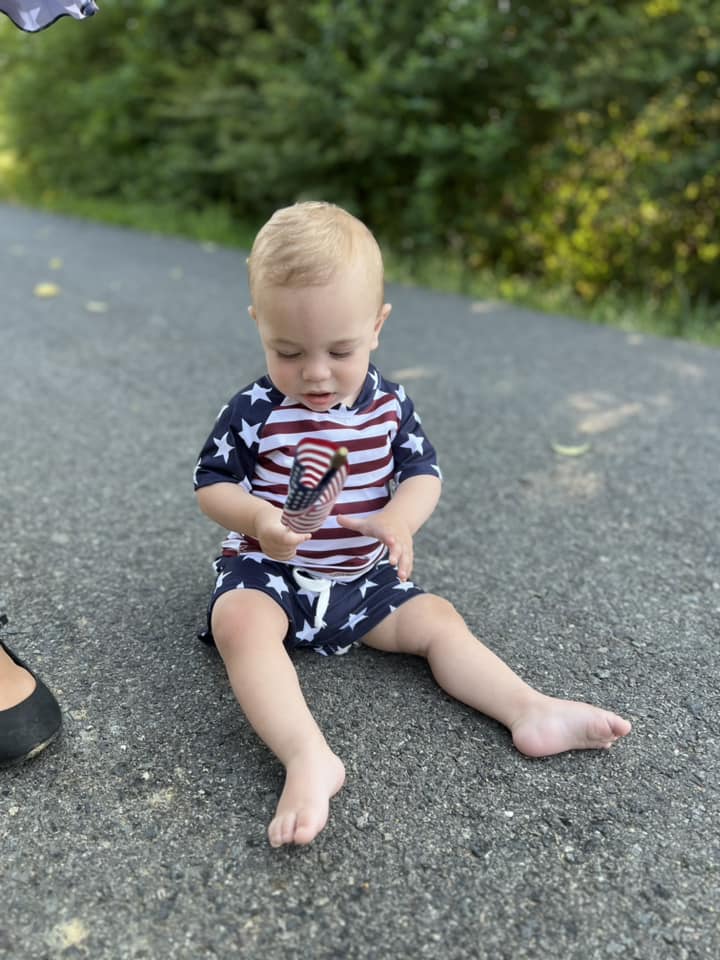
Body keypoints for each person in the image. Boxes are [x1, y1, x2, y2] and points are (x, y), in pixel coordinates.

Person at [193, 201, 632, 849]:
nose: (315, 372)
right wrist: (260, 517)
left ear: (377, 325)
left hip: (361, 577)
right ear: (260, 325)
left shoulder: (390, 407)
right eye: (287, 350)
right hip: (273, 570)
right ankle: (308, 756)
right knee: (241, 623)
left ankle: (528, 709)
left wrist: (400, 518)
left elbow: (424, 473)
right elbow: (212, 485)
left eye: (340, 349)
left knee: (438, 621)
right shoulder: (256, 409)